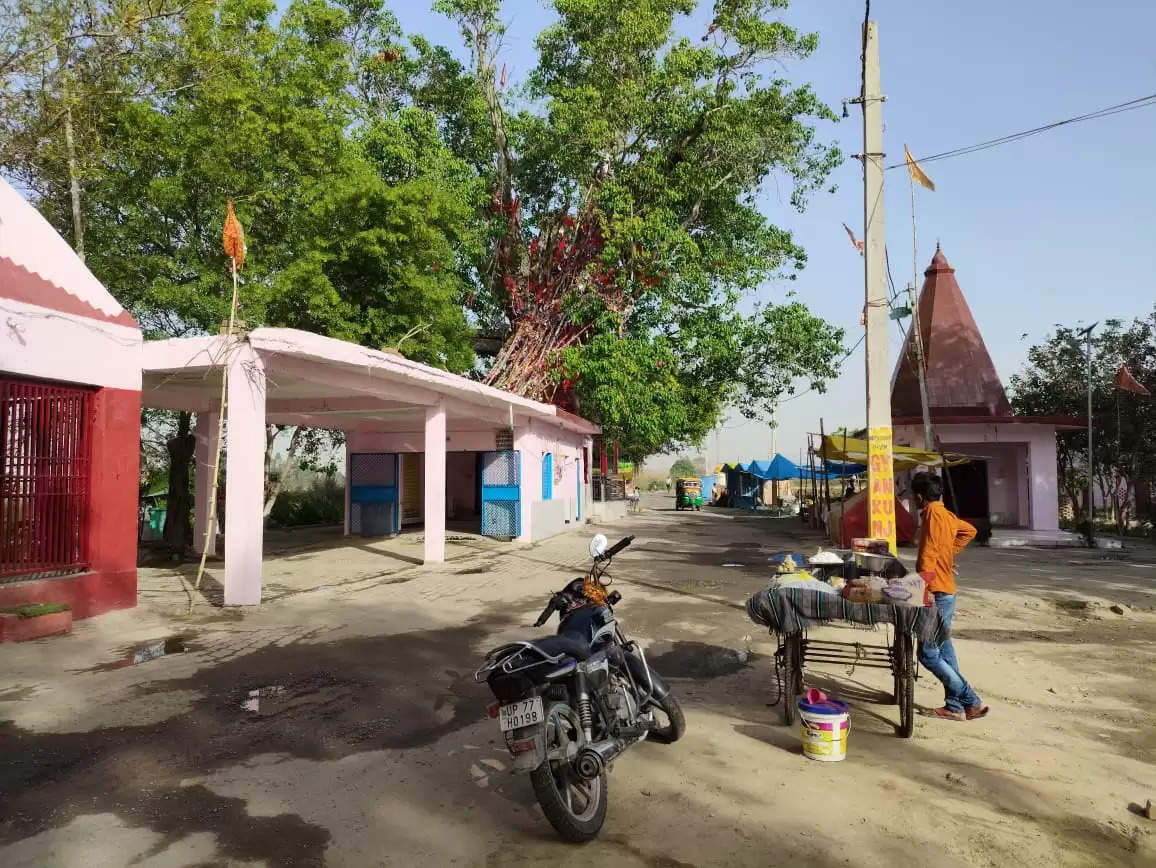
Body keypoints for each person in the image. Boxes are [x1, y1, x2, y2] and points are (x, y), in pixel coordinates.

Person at [912, 471, 989, 722]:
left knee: (927, 654)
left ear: (919, 496)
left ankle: (970, 700)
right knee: (944, 648)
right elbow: (969, 531)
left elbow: (928, 555)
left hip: (936, 592)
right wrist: (949, 556)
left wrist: (924, 589)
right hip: (946, 590)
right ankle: (954, 707)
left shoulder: (933, 514)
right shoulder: (945, 513)